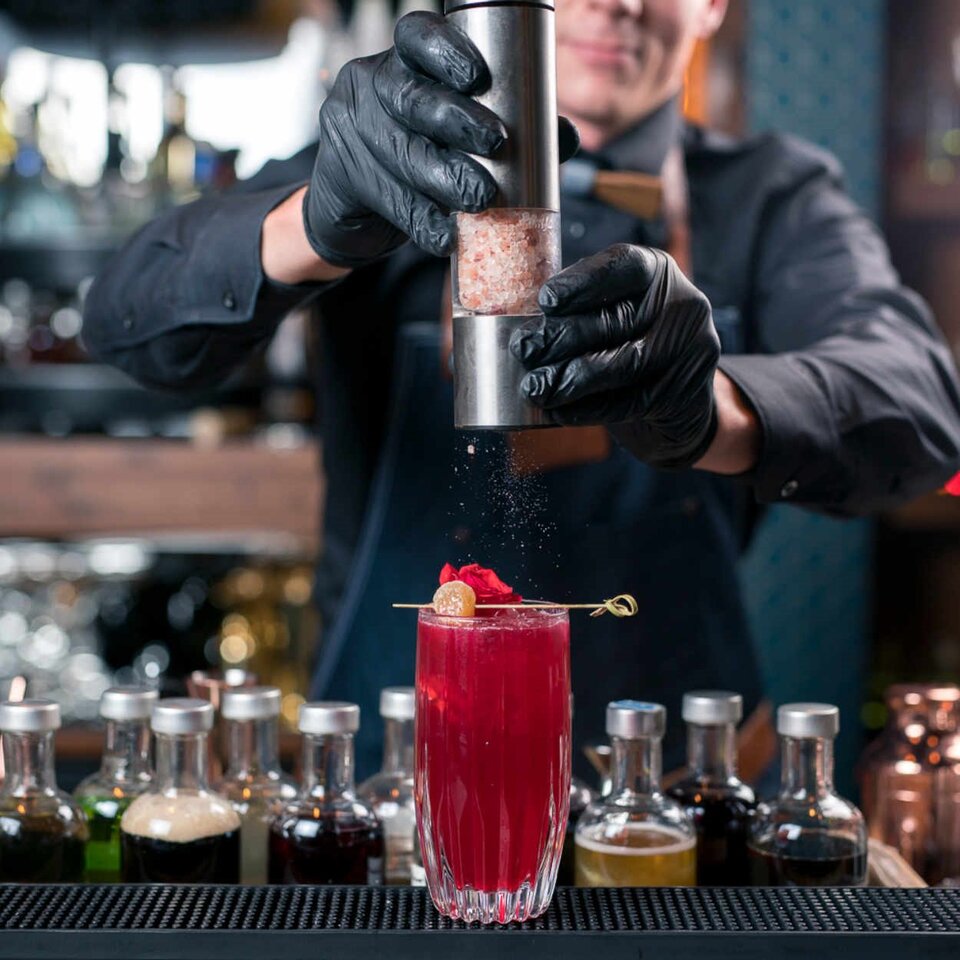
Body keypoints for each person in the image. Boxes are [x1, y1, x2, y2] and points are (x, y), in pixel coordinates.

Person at [84, 0, 960, 778]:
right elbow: (124, 322)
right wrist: (309, 220)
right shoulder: (375, 154)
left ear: (712, 7)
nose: (616, 6)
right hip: (397, 782)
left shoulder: (773, 193)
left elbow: (920, 408)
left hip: (682, 786)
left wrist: (713, 406)